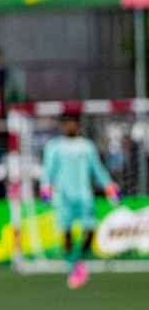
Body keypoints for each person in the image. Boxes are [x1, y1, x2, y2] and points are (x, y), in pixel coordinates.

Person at [40, 113, 120, 289]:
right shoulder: (54, 147)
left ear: (78, 127)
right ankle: (72, 268)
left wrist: (109, 186)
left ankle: (77, 261)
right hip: (64, 198)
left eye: (73, 123)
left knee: (90, 231)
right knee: (66, 234)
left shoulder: (87, 146)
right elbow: (48, 170)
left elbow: (97, 169)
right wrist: (45, 187)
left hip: (84, 196)